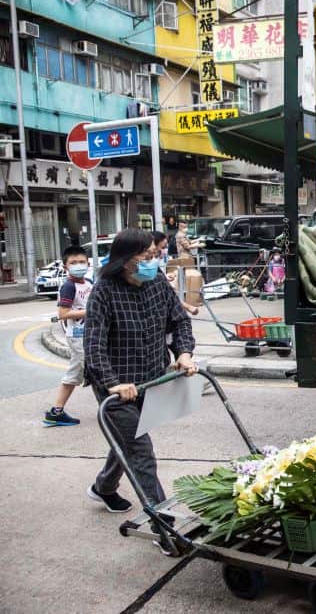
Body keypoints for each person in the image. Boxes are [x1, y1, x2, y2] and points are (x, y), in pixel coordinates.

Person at [84, 228, 197, 556]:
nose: (153, 261)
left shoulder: (158, 282)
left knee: (128, 443)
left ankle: (103, 487)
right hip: (117, 388)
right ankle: (166, 527)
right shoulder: (104, 292)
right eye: (146, 257)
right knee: (141, 451)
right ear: (124, 260)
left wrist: (184, 353)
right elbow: (94, 345)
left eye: (154, 256)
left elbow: (180, 322)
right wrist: (112, 382)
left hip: (150, 379)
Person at [43, 245, 94, 427]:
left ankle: (56, 412)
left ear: (88, 264)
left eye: (82, 262)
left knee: (83, 372)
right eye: (73, 263)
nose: (78, 265)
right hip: (78, 336)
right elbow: (63, 313)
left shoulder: (88, 283)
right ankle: (56, 412)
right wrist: (90, 312)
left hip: (89, 334)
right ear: (66, 267)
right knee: (85, 371)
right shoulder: (68, 286)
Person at [153, 230, 199, 316]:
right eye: (162, 247)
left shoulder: (154, 261)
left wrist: (165, 277)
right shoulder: (148, 262)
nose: (163, 250)